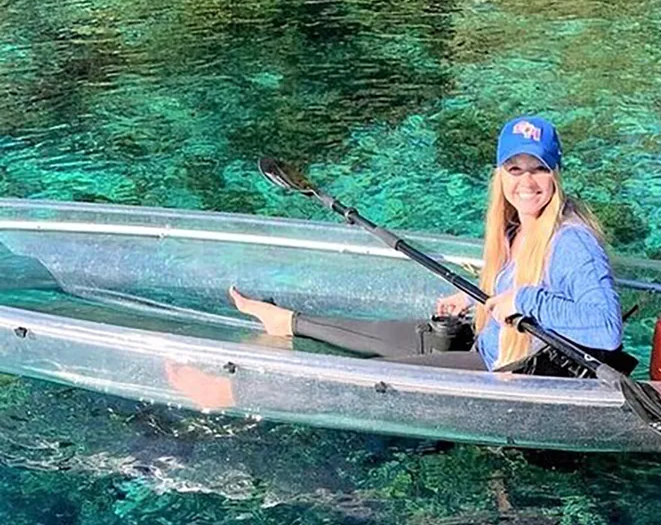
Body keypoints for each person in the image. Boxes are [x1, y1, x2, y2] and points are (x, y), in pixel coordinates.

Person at [229, 115, 626, 375]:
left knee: (380, 376)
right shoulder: (517, 225)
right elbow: (519, 287)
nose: (527, 181)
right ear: (500, 175)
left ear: (556, 174)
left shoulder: (572, 241)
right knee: (378, 333)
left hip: (507, 368)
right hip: (490, 342)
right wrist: (474, 300)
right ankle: (287, 322)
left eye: (539, 168)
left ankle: (233, 388)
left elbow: (608, 330)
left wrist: (525, 300)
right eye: (515, 169)